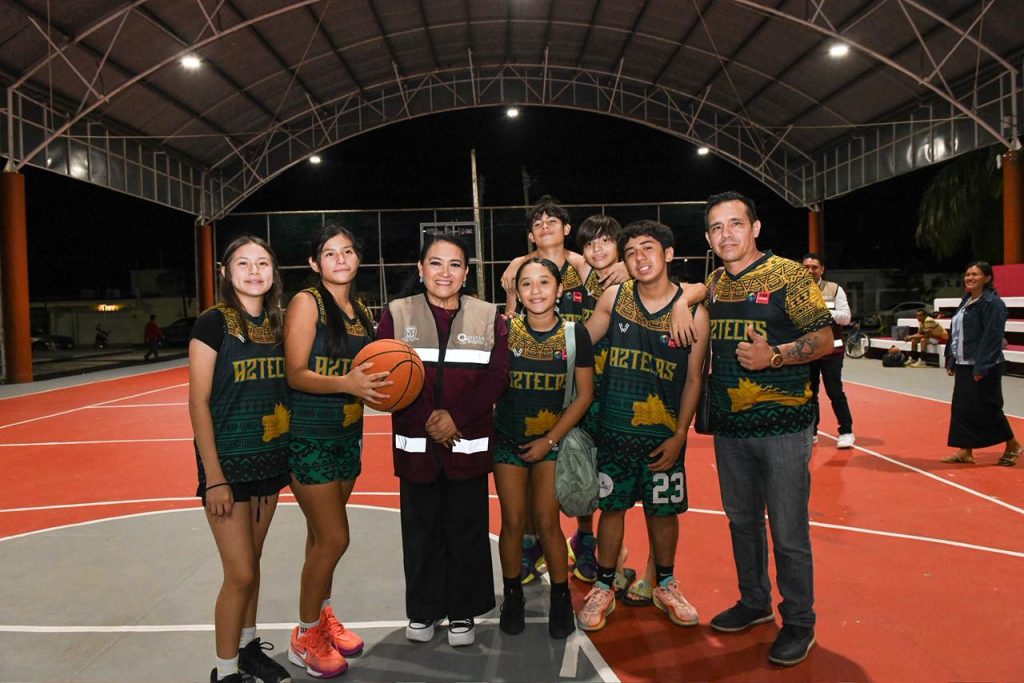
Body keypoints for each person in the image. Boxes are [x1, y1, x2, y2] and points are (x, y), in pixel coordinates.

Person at [703, 192, 834, 667]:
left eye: (735, 223)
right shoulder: (714, 283)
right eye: (716, 227)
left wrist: (774, 356)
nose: (726, 234)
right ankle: (755, 602)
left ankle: (799, 621)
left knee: (788, 530)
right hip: (730, 428)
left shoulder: (789, 276)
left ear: (755, 228)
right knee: (742, 522)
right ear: (708, 238)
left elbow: (825, 339)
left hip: (783, 429)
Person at [376, 231, 510, 647]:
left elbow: (497, 377)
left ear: (466, 273)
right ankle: (423, 610)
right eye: (435, 263)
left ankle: (462, 612)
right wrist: (428, 420)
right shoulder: (397, 314)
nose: (445, 272)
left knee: (467, 530)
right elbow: (385, 375)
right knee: (420, 533)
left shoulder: (488, 316)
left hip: (466, 445)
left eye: (455, 264)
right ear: (420, 269)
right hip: (416, 447)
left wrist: (456, 418)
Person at [576, 220, 710, 633]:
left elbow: (693, 380)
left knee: (663, 511)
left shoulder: (694, 312)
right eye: (631, 252)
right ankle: (603, 585)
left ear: (668, 254)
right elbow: (581, 342)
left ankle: (665, 583)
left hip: (662, 435)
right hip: (614, 428)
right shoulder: (616, 297)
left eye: (648, 248)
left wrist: (680, 434)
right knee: (611, 508)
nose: (639, 258)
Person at [283, 223, 391, 678]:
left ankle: (322, 615)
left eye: (347, 251)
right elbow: (296, 372)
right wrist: (347, 383)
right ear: (314, 263)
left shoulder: (361, 310)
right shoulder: (306, 302)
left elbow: (369, 371)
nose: (341, 259)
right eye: (330, 253)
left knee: (318, 539)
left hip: (347, 436)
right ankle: (305, 635)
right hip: (309, 437)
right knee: (334, 539)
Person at [188, 236, 292, 683]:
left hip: (268, 462)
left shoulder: (279, 324)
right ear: (227, 272)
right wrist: (214, 477)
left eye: (262, 263)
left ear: (273, 272)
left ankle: (248, 650)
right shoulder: (213, 323)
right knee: (241, 573)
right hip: (227, 467)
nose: (254, 271)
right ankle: (226, 671)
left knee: (254, 564)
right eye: (243, 263)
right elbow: (198, 402)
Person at [494, 257, 594, 639]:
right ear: (517, 293)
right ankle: (513, 596)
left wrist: (550, 440)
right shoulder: (504, 330)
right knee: (513, 522)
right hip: (508, 439)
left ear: (559, 289)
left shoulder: (575, 334)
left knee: (548, 523)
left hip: (553, 443)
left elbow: (584, 395)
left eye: (544, 282)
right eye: (527, 284)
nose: (536, 291)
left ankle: (560, 598)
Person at [940, 261, 1021, 466]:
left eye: (975, 274)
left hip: (985, 364)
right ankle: (965, 451)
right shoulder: (966, 301)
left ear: (987, 278)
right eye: (967, 274)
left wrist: (982, 366)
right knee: (962, 408)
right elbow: (956, 333)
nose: (970, 278)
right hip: (964, 362)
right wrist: (951, 359)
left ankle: (1013, 444)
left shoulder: (993, 304)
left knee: (988, 407)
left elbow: (992, 338)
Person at [801, 253, 855, 448]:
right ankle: (812, 432)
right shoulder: (794, 290)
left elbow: (846, 317)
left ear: (822, 269)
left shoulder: (834, 289)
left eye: (814, 267)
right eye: (806, 267)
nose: (810, 271)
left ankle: (846, 431)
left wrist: (822, 312)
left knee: (834, 391)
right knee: (809, 393)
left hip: (833, 349)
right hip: (807, 350)